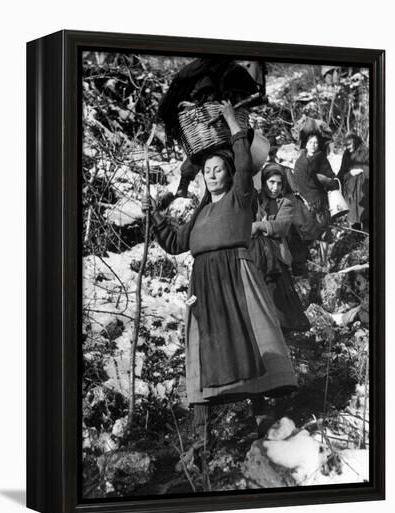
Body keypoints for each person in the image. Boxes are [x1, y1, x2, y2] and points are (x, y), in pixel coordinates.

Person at [142, 101, 297, 436]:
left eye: (218, 169)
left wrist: (230, 121)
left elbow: (245, 165)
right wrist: (155, 216)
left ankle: (262, 412)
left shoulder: (240, 197)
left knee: (250, 337)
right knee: (206, 345)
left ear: (229, 172)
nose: (211, 175)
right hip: (204, 282)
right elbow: (175, 244)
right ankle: (200, 427)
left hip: (236, 275)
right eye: (207, 171)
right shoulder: (200, 212)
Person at [250, 163, 310, 332]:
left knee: (280, 298)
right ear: (264, 182)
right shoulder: (256, 199)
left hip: (276, 256)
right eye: (271, 182)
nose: (275, 188)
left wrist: (260, 226)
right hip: (257, 254)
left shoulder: (286, 203)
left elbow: (282, 226)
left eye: (279, 183)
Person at [291, 132, 338, 268]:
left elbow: (331, 177)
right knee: (305, 230)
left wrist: (324, 179)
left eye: (316, 143)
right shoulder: (301, 158)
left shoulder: (321, 158)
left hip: (318, 200)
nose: (313, 145)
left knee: (322, 230)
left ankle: (323, 263)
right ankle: (306, 262)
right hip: (302, 200)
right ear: (306, 144)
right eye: (311, 142)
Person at [337, 133, 369, 232]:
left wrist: (361, 173)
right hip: (351, 190)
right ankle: (356, 237)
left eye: (349, 144)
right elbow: (342, 171)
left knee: (365, 215)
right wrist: (349, 173)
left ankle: (367, 240)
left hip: (363, 190)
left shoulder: (365, 152)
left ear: (355, 142)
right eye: (346, 145)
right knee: (353, 217)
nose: (347, 147)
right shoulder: (346, 154)